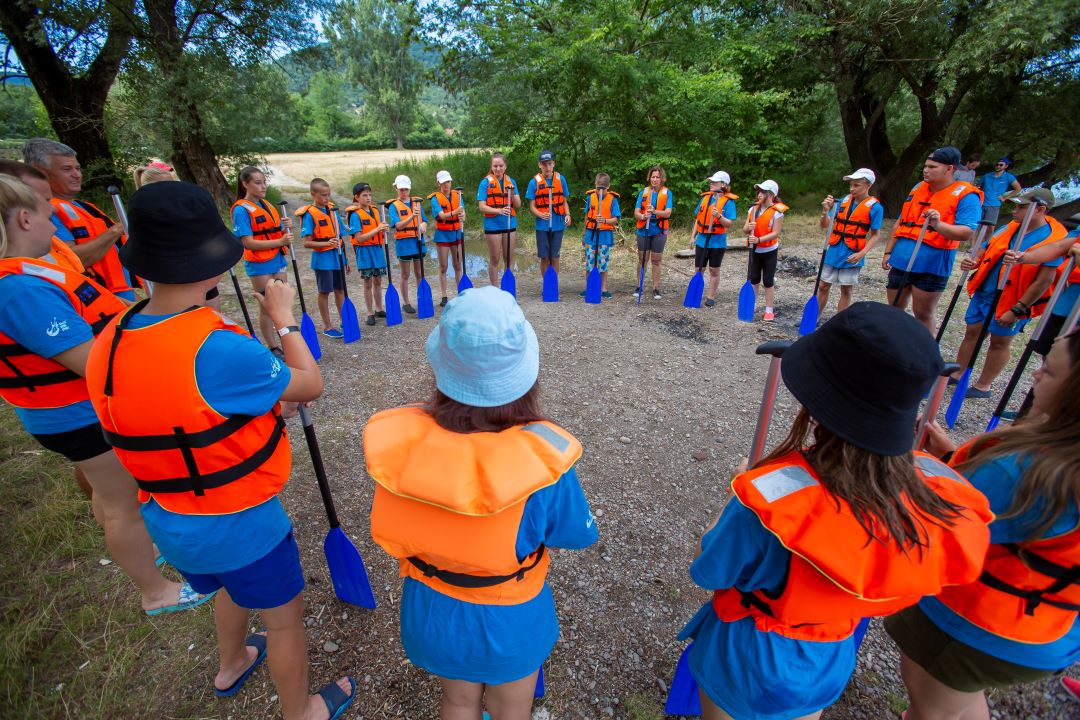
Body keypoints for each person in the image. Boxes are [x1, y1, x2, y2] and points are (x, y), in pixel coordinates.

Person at [84, 181, 355, 720]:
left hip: (168, 519)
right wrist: (284, 318)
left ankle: (231, 662)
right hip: (239, 523)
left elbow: (180, 408)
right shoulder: (220, 347)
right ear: (213, 264)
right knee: (283, 621)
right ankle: (300, 710)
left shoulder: (111, 335)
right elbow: (309, 383)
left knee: (228, 588)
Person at [677, 302, 992, 720]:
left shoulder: (766, 502)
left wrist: (736, 496)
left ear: (816, 403)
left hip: (746, 658)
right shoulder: (938, 493)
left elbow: (710, 569)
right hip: (829, 657)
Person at [364, 285, 598, 720]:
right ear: (524, 377)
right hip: (508, 620)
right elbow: (576, 535)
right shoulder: (545, 466)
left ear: (441, 369)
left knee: (457, 700)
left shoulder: (403, 450)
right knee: (511, 708)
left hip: (431, 612)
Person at [0, 173, 209, 614]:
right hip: (77, 415)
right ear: (23, 220)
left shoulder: (29, 274)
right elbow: (92, 362)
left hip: (83, 410)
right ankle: (155, 591)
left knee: (111, 492)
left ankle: (143, 547)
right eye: (46, 215)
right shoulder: (19, 289)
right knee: (122, 502)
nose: (54, 226)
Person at [889, 328, 1080, 720]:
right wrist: (956, 461)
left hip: (973, 629)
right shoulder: (1059, 465)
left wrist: (897, 464)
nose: (1036, 373)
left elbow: (929, 526)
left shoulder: (1023, 473)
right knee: (956, 704)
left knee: (932, 708)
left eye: (1048, 370)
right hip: (1048, 630)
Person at [951, 189, 1067, 398]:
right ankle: (958, 373)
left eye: (1021, 207)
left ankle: (983, 386)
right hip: (986, 292)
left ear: (1040, 209)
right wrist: (974, 260)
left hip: (1014, 300)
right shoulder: (1010, 227)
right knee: (972, 332)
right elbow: (986, 248)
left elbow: (1044, 281)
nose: (1014, 211)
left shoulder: (1055, 239)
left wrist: (1018, 309)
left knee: (999, 341)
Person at [881, 146, 982, 333]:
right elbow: (900, 222)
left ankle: (924, 348)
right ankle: (893, 343)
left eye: (933, 167)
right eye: (926, 166)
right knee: (893, 308)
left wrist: (937, 224)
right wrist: (888, 251)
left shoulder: (967, 195)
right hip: (902, 259)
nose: (926, 170)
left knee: (923, 313)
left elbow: (966, 232)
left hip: (933, 264)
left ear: (950, 169)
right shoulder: (918, 188)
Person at [23, 138, 139, 301]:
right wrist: (118, 229)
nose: (77, 175)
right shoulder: (46, 212)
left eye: (77, 168)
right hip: (97, 302)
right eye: (67, 169)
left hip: (121, 296)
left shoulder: (83, 207)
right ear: (39, 172)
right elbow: (73, 260)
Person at [231, 167, 292, 352]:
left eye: (264, 182)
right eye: (258, 183)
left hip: (277, 259)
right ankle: (273, 348)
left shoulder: (267, 205)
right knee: (267, 307)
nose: (263, 186)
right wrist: (280, 241)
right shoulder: (241, 210)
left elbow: (275, 232)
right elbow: (247, 242)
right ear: (245, 184)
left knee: (282, 304)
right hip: (259, 263)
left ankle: (288, 343)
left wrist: (286, 228)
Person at [817, 168, 883, 314]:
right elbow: (824, 225)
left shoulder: (875, 208)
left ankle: (840, 322)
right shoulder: (843, 202)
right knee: (822, 286)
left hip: (853, 253)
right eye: (851, 185)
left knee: (846, 290)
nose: (852, 189)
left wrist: (861, 254)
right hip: (834, 249)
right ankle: (814, 319)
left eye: (856, 185)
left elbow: (876, 235)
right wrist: (825, 211)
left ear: (868, 185)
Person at [297, 177, 347, 338]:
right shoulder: (309, 214)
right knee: (324, 292)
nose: (326, 198)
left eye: (328, 194)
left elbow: (341, 236)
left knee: (340, 290)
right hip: (323, 261)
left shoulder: (332, 210)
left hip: (337, 257)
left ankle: (345, 320)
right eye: (323, 195)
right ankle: (327, 326)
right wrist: (326, 243)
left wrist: (345, 260)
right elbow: (306, 243)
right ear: (313, 194)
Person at [742, 179, 787, 322]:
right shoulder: (752, 210)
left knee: (768, 280)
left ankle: (769, 310)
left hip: (769, 250)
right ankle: (752, 304)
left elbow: (775, 233)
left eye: (763, 192)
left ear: (771, 195)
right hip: (754, 250)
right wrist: (748, 228)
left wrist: (759, 239)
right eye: (759, 191)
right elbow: (744, 229)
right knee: (754, 278)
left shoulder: (777, 213)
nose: (759, 194)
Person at [345, 182, 390, 327]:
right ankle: (370, 312)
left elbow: (380, 231)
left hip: (377, 249)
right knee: (368, 282)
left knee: (378, 281)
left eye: (370, 195)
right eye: (365, 195)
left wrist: (385, 230)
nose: (368, 198)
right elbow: (359, 238)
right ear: (357, 197)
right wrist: (378, 229)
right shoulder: (355, 215)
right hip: (364, 251)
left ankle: (379, 309)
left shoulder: (375, 211)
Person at [691, 172, 738, 308]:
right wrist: (692, 237)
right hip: (702, 239)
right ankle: (696, 293)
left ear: (723, 184)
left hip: (717, 242)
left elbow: (729, 223)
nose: (711, 184)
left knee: (714, 270)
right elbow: (698, 219)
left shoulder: (728, 202)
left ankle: (710, 297)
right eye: (711, 182)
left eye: (715, 182)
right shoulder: (705, 198)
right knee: (699, 269)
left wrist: (719, 216)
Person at [526, 150, 572, 283]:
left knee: (555, 256)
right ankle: (546, 284)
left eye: (549, 164)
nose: (547, 167)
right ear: (539, 165)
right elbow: (532, 207)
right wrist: (541, 214)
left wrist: (568, 215)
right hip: (542, 225)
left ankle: (553, 284)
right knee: (545, 257)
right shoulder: (534, 182)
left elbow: (564, 201)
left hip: (558, 224)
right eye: (544, 164)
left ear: (553, 164)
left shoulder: (561, 179)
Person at [477, 153, 520, 287]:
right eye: (495, 166)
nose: (498, 168)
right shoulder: (485, 183)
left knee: (509, 258)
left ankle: (508, 287)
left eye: (501, 166)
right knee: (495, 259)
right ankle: (495, 290)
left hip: (509, 223)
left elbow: (518, 205)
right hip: (492, 224)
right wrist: (499, 211)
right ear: (492, 167)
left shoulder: (511, 182)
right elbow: (482, 207)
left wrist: (512, 194)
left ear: (505, 166)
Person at [387, 175, 428, 315]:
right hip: (404, 243)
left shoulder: (417, 203)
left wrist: (423, 225)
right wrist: (412, 216)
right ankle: (406, 302)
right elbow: (398, 225)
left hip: (418, 241)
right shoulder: (393, 206)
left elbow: (424, 220)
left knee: (419, 273)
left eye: (406, 189)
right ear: (396, 189)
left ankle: (422, 298)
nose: (404, 192)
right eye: (401, 189)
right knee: (405, 274)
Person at [633, 166, 673, 300]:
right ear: (650, 178)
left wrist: (654, 211)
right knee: (642, 259)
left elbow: (668, 213)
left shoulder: (667, 193)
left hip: (659, 231)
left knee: (656, 260)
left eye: (657, 177)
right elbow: (636, 212)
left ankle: (656, 288)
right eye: (653, 177)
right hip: (643, 229)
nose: (655, 179)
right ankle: (639, 286)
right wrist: (643, 216)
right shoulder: (644, 192)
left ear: (662, 179)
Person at [428, 171, 466, 306]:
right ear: (439, 183)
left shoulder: (458, 195)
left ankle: (461, 293)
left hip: (456, 232)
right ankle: (444, 296)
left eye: (448, 182)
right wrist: (456, 212)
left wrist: (463, 216)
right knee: (443, 266)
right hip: (443, 234)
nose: (446, 185)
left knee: (458, 264)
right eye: (443, 182)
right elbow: (441, 216)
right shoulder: (435, 198)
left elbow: (463, 212)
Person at [580, 173, 620, 299]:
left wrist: (605, 220)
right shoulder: (590, 197)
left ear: (608, 186)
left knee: (603, 263)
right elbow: (586, 216)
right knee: (589, 262)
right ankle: (589, 287)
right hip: (590, 235)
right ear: (595, 185)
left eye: (603, 187)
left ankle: (603, 288)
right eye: (598, 187)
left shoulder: (613, 199)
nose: (600, 190)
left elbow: (615, 219)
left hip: (604, 236)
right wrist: (584, 233)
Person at [976, 157, 1022, 226]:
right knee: (976, 224)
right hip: (981, 203)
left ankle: (988, 234)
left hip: (994, 204)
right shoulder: (987, 176)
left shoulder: (1009, 177)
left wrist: (1005, 198)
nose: (998, 166)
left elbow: (1018, 188)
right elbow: (977, 187)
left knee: (990, 226)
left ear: (1006, 166)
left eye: (1001, 165)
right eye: (997, 164)